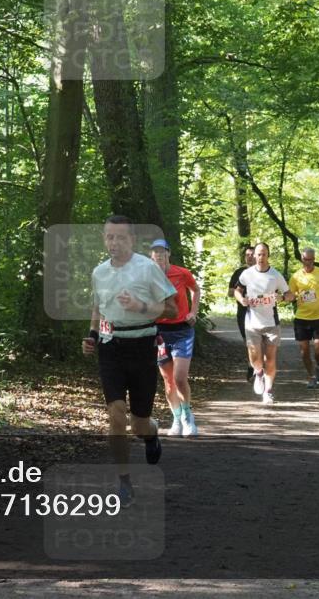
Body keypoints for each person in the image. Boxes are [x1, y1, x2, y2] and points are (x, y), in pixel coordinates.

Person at [82, 216, 178, 505]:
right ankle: (123, 481)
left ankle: (151, 434)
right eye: (109, 237)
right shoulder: (99, 272)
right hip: (111, 348)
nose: (114, 243)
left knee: (138, 424)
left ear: (131, 240)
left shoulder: (147, 268)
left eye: (120, 237)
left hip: (143, 346)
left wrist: (142, 306)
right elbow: (98, 309)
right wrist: (91, 336)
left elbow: (172, 309)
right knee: (115, 415)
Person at [150, 239, 201, 437]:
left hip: (182, 331)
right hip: (159, 332)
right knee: (168, 380)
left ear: (168, 253)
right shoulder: (147, 277)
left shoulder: (182, 272)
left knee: (180, 378)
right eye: (155, 252)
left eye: (162, 251)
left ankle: (188, 417)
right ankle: (176, 418)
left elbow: (195, 290)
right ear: (151, 256)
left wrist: (193, 312)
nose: (159, 255)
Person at [235, 242, 294, 405]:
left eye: (264, 254)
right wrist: (242, 300)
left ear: (268, 255)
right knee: (256, 359)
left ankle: (268, 392)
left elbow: (289, 295)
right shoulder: (247, 274)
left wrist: (281, 298)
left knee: (271, 359)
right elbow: (237, 290)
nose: (261, 257)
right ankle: (258, 372)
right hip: (252, 322)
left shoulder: (275, 275)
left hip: (271, 323)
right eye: (259, 254)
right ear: (254, 256)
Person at [229, 244, 280, 383]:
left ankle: (261, 371)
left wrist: (272, 297)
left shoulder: (272, 274)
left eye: (253, 255)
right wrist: (244, 298)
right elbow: (232, 291)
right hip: (245, 313)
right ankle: (254, 367)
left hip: (267, 315)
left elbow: (280, 292)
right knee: (250, 344)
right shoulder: (240, 273)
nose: (251, 257)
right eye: (248, 255)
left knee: (265, 347)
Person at [289, 248, 319, 388]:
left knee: (318, 350)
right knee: (304, 351)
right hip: (302, 318)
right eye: (305, 259)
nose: (307, 262)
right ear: (302, 259)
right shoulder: (296, 277)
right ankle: (311, 376)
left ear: (314, 259)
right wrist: (284, 298)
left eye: (310, 259)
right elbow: (290, 294)